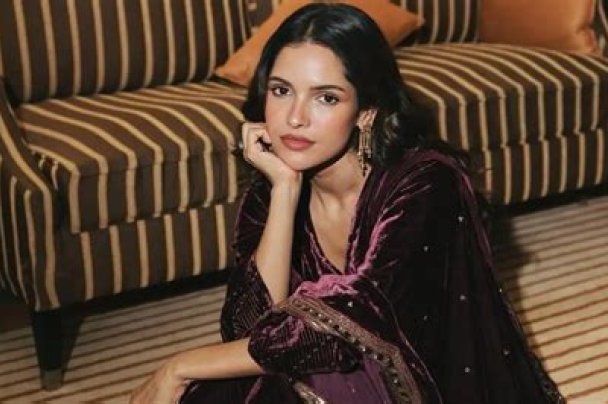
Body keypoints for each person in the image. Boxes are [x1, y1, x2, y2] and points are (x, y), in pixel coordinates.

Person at [131, 3, 564, 403]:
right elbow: (247, 329)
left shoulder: (427, 183)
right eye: (281, 91)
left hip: (421, 385)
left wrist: (179, 366)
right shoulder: (273, 186)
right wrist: (285, 191)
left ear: (366, 111)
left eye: (326, 97)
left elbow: (353, 328)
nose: (295, 117)